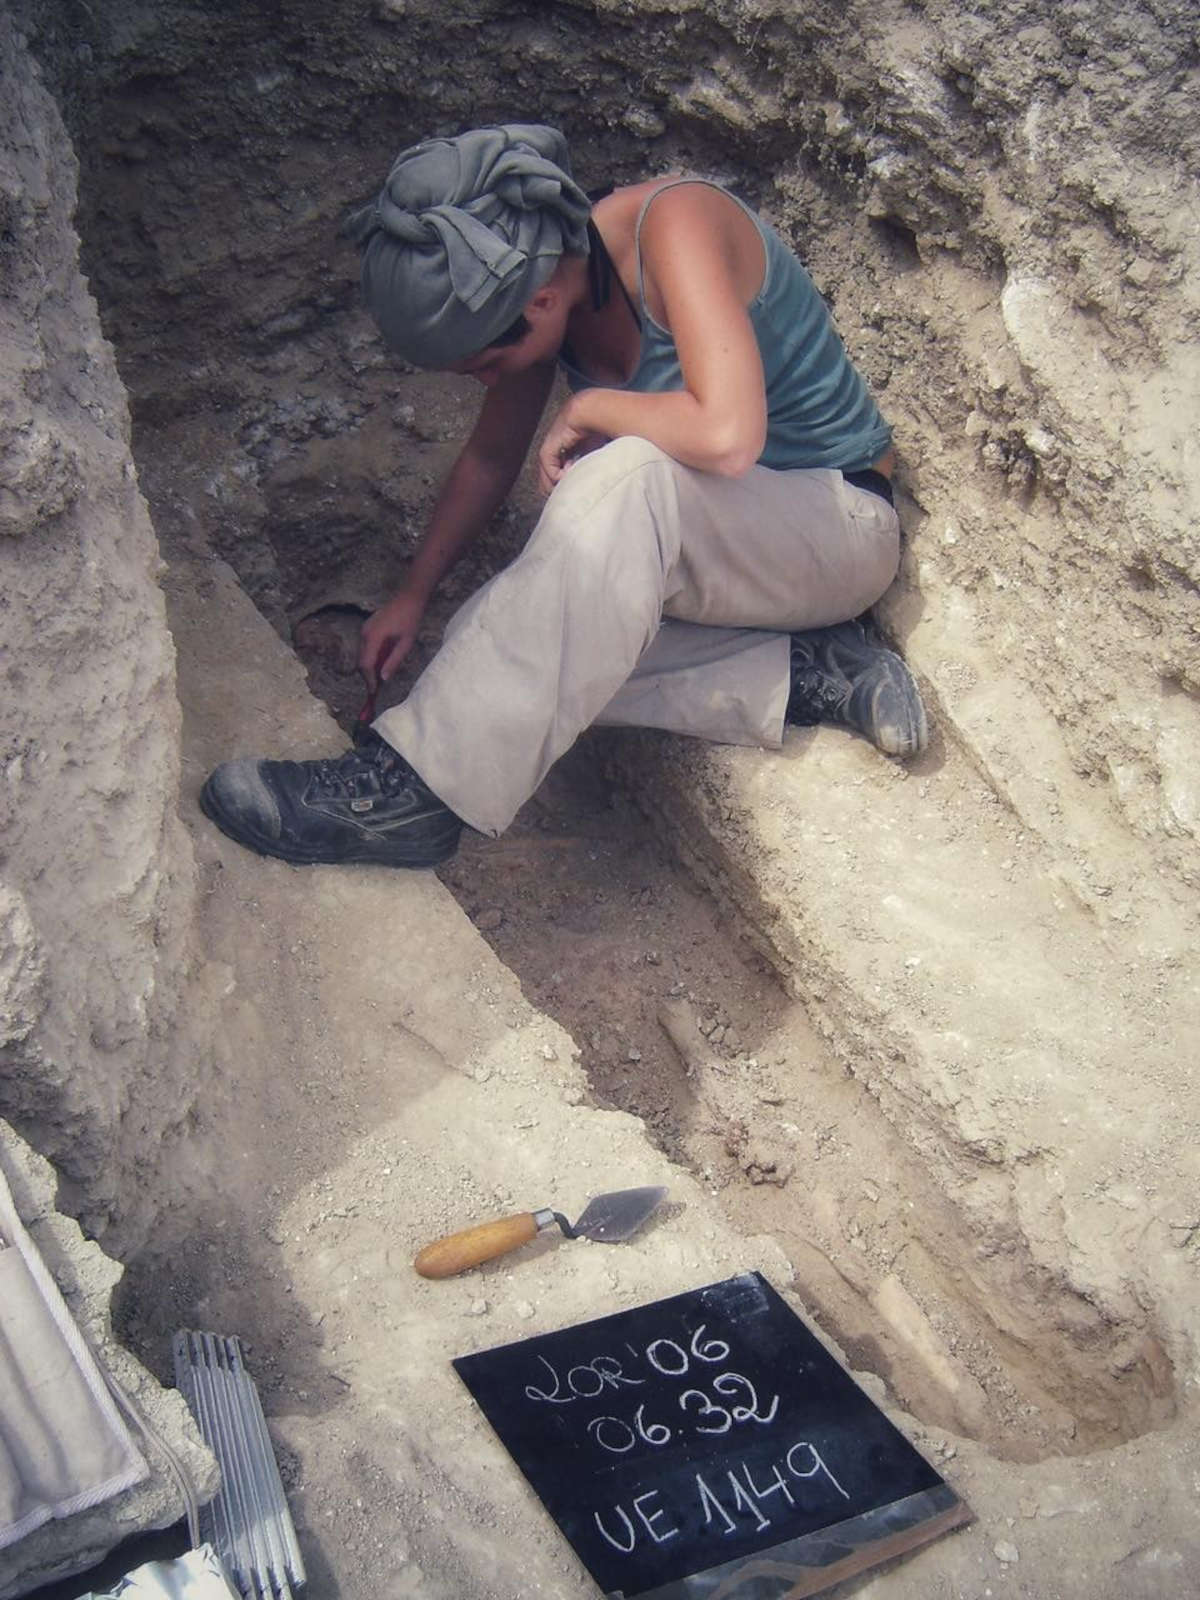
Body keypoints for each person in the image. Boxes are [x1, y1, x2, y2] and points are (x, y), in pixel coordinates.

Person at [201, 124, 927, 868]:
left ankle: (406, 797)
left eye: (488, 363)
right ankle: (802, 671)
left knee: (621, 478)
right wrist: (414, 595)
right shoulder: (539, 298)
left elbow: (729, 434)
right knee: (490, 639)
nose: (488, 380)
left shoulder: (676, 226)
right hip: (734, 553)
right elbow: (489, 458)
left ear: (542, 299)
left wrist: (590, 410)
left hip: (836, 528)